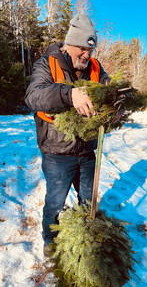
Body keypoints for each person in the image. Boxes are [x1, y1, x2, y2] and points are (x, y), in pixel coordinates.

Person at [25, 14, 111, 251]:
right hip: (57, 152)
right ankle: (50, 242)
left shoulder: (94, 67)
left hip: (87, 150)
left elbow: (110, 89)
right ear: (69, 44)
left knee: (88, 200)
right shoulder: (47, 63)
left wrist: (117, 104)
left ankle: (85, 239)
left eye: (90, 50)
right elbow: (34, 96)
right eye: (82, 49)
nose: (87, 55)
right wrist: (68, 95)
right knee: (54, 203)